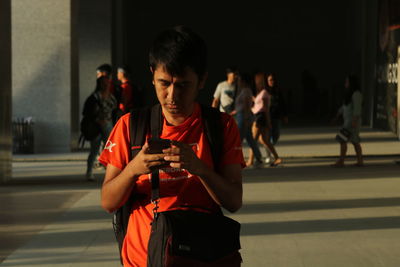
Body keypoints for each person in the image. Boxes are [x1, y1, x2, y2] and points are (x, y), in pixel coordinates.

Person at [99, 26, 245, 266]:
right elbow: (108, 201)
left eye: (183, 85)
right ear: (152, 74)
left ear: (202, 80)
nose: (172, 95)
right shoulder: (130, 126)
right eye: (163, 83)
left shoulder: (220, 126)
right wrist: (134, 169)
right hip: (143, 259)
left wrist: (200, 168)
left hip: (201, 258)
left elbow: (233, 201)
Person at [85, 76, 117, 181]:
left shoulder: (111, 96)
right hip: (96, 127)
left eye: (107, 83)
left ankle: (109, 172)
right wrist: (97, 120)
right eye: (103, 83)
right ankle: (89, 172)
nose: (106, 85)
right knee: (94, 149)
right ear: (99, 84)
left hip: (108, 125)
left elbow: (114, 110)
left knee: (110, 149)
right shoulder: (94, 97)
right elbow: (87, 112)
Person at [247, 72, 282, 167]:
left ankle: (251, 160)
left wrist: (268, 122)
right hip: (259, 116)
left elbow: (266, 109)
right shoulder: (262, 93)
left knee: (253, 140)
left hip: (259, 117)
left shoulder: (264, 93)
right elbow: (259, 106)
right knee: (264, 140)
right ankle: (276, 157)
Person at [231, 72, 263, 167]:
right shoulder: (244, 91)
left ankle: (234, 159)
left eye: (240, 80)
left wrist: (245, 119)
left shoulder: (246, 91)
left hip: (243, 117)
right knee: (250, 139)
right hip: (241, 116)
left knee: (238, 139)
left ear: (244, 81)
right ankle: (258, 157)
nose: (238, 82)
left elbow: (246, 106)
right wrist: (235, 111)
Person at [332, 74, 363, 167]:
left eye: (347, 82)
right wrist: (337, 115)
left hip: (352, 122)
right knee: (354, 141)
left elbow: (357, 109)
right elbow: (344, 107)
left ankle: (342, 161)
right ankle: (359, 161)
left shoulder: (357, 94)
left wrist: (354, 121)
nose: (345, 83)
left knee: (344, 140)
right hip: (348, 121)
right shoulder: (349, 94)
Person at [265, 72, 288, 162]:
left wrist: (285, 115)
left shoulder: (278, 91)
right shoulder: (265, 91)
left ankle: (270, 149)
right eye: (270, 80)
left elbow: (283, 103)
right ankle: (268, 155)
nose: (272, 81)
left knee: (276, 135)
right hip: (267, 116)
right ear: (267, 81)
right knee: (267, 137)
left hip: (276, 116)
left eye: (273, 80)